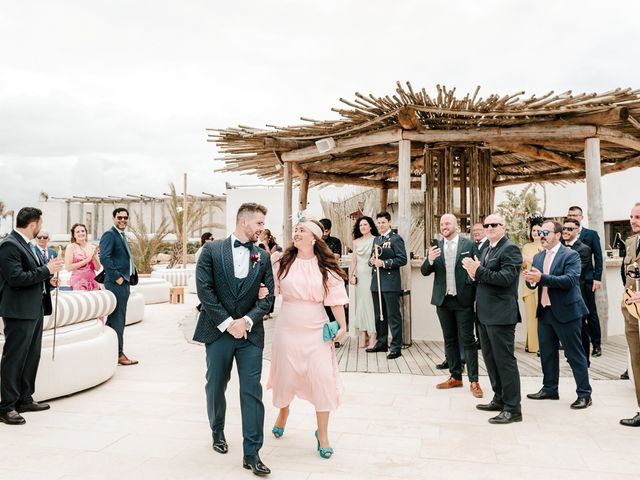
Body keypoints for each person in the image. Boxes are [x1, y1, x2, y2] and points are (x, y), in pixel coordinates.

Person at [193, 203, 274, 476]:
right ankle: (217, 431)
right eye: (259, 223)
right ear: (243, 222)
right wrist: (229, 324)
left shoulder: (262, 257)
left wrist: (247, 321)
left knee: (252, 391)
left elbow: (269, 298)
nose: (262, 229)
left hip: (250, 335)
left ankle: (252, 453)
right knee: (216, 384)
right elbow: (204, 292)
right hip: (218, 332)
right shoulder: (211, 251)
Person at [267, 217, 347, 459]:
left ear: (314, 238)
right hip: (287, 327)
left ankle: (322, 435)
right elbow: (270, 290)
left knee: (322, 378)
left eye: (302, 230)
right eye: (296, 230)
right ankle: (283, 413)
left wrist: (342, 327)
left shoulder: (326, 267)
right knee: (286, 375)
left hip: (316, 328)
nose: (297, 233)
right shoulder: (281, 261)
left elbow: (336, 298)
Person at [0, 207, 64, 425]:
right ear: (34, 224)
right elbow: (16, 278)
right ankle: (6, 406)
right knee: (14, 357)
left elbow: (33, 276)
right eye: (40, 223)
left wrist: (49, 280)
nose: (41, 227)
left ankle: (25, 399)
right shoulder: (9, 245)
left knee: (31, 355)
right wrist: (47, 270)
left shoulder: (28, 245)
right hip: (18, 311)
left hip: (35, 308)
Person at [524, 220, 592, 409]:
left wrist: (541, 278)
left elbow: (570, 280)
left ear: (558, 235)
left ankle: (585, 394)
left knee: (574, 354)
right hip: (545, 311)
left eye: (546, 232)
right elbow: (536, 282)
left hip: (567, 312)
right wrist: (531, 281)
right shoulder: (538, 257)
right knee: (547, 353)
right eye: (540, 232)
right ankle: (550, 389)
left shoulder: (571, 255)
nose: (542, 235)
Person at [462, 214, 522, 424]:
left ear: (504, 227)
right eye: (486, 225)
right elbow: (481, 279)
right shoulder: (486, 249)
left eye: (494, 224)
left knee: (505, 362)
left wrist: (478, 271)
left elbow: (506, 279)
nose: (489, 228)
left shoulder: (510, 249)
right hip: (484, 314)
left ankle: (513, 408)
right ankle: (499, 398)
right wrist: (472, 274)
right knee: (490, 359)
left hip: (501, 314)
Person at [421, 213, 482, 398]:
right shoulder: (436, 247)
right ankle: (455, 376)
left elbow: (478, 270)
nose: (444, 226)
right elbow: (425, 271)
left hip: (463, 300)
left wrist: (472, 277)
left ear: (456, 226)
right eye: (441, 223)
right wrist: (429, 259)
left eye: (447, 223)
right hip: (443, 301)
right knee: (449, 339)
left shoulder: (469, 245)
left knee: (468, 340)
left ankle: (474, 381)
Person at [366, 212, 407, 360]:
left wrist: (384, 263)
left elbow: (402, 259)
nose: (381, 225)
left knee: (393, 315)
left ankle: (396, 347)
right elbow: (373, 258)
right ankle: (381, 343)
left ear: (389, 222)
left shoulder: (396, 239)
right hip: (376, 283)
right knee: (379, 315)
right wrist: (371, 261)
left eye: (383, 222)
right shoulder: (377, 239)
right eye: (379, 222)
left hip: (390, 283)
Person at [100, 208, 138, 366]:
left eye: (125, 218)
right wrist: (118, 278)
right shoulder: (110, 234)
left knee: (114, 318)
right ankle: (118, 354)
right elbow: (104, 257)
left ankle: (107, 350)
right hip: (117, 283)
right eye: (119, 217)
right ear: (113, 218)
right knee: (118, 319)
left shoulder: (121, 235)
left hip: (125, 282)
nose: (123, 220)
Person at [566, 206, 603, 357]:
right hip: (571, 282)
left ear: (581, 217)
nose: (573, 217)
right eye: (570, 214)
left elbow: (599, 257)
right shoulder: (565, 235)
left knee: (590, 313)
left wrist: (597, 278)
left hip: (587, 280)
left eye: (576, 215)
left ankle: (596, 345)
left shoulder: (591, 234)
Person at [561, 218, 594, 364]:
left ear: (577, 231)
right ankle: (571, 357)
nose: (566, 231)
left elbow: (576, 272)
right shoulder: (558, 247)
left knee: (580, 327)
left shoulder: (584, 249)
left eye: (570, 229)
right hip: (560, 293)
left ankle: (585, 359)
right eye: (564, 229)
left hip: (576, 293)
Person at [620, 202, 640, 427]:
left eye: (638, 217)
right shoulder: (631, 241)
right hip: (632, 311)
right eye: (632, 216)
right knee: (637, 362)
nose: (633, 221)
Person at [349, 216, 379, 348]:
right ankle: (362, 333)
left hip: (371, 275)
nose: (362, 227)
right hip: (360, 276)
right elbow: (354, 260)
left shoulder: (376, 240)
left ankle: (373, 334)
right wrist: (350, 275)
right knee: (360, 304)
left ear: (371, 226)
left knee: (370, 304)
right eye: (360, 225)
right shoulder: (356, 242)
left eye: (365, 224)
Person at [521, 219, 544, 355]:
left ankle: (541, 345)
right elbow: (524, 266)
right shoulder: (526, 247)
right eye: (533, 230)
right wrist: (523, 263)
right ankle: (532, 345)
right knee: (530, 315)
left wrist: (532, 260)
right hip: (529, 284)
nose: (535, 233)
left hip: (542, 284)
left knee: (541, 316)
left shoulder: (545, 247)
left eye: (538, 231)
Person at [65, 223, 101, 291]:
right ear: (74, 235)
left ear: (86, 233)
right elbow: (68, 267)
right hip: (78, 283)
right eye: (77, 232)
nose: (81, 233)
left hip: (92, 282)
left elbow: (98, 268)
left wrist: (93, 257)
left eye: (83, 231)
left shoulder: (92, 247)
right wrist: (87, 260)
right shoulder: (71, 247)